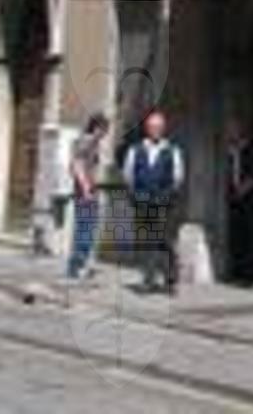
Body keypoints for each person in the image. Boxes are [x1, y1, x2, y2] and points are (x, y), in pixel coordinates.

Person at [122, 107, 185, 294]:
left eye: (159, 127)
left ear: (163, 129)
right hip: (142, 201)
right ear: (147, 129)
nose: (156, 130)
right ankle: (148, 279)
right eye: (153, 127)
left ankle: (169, 280)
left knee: (164, 240)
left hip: (163, 202)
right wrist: (136, 195)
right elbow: (128, 175)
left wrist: (167, 194)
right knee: (145, 241)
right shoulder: (135, 150)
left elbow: (178, 177)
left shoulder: (172, 150)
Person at [66, 111, 109, 281]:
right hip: (86, 193)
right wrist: (86, 189)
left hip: (92, 192)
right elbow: (76, 165)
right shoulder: (86, 141)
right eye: (104, 130)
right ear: (97, 127)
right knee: (84, 230)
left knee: (88, 229)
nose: (105, 134)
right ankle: (77, 266)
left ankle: (80, 265)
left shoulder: (93, 143)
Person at [223, 122, 253, 282]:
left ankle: (249, 274)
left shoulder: (252, 152)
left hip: (250, 201)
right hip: (234, 201)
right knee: (235, 237)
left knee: (249, 237)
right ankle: (235, 271)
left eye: (234, 131)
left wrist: (243, 189)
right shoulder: (230, 153)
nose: (231, 134)